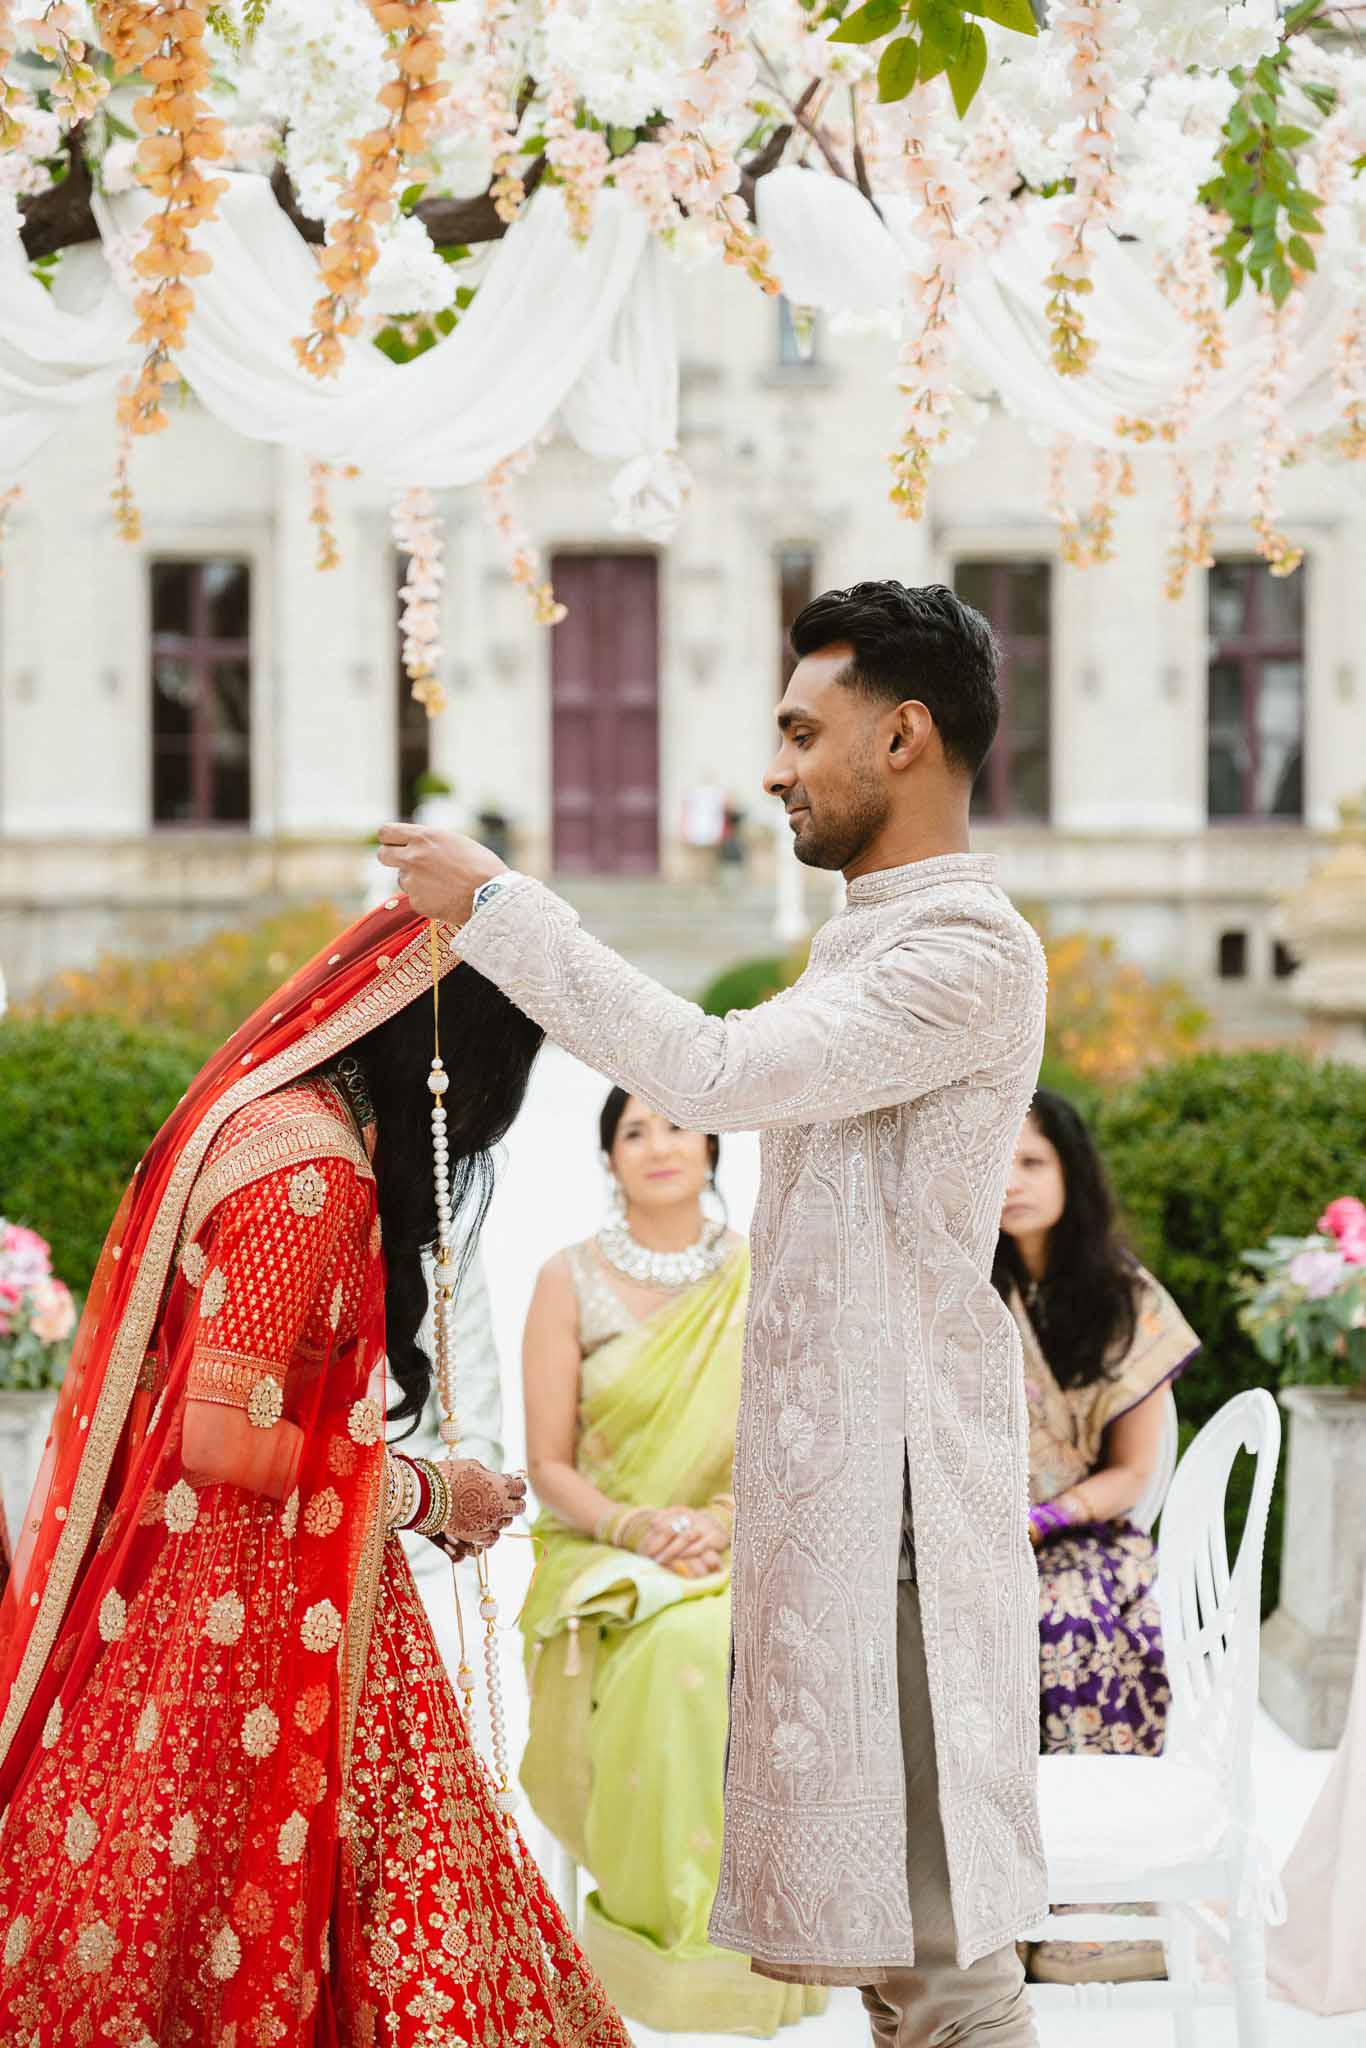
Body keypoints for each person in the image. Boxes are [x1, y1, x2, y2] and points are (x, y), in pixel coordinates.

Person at [382, 579, 1050, 2048]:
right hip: (834, 1499)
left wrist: (500, 908)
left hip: (899, 1513)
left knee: (940, 1960)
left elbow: (708, 1074)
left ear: (905, 737)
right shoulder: (865, 942)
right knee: (886, 1953)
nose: (769, 769)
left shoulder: (965, 950)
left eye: (801, 731)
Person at [0, 901, 630, 2048]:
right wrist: (433, 1493)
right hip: (250, 1601)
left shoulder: (270, 1118)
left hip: (237, 1575)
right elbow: (222, 1435)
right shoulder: (312, 1172)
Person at [518, 1087, 826, 2034]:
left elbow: (795, 1434)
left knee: (749, 1636)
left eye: (676, 1124)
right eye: (633, 1131)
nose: (658, 1144)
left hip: (748, 1541)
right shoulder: (567, 1279)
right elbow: (547, 1466)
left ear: (713, 1145)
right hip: (601, 1547)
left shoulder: (761, 1270)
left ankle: (773, 1922)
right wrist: (639, 1528)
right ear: (609, 1160)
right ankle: (673, 1942)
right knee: (679, 1647)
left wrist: (725, 1522)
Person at [994, 1088, 1200, 1988]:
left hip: (1086, 1535)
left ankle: (1085, 1907)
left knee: (1066, 1625)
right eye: (996, 1160)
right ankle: (989, 1900)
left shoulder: (1125, 1299)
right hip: (975, 1531)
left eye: (1033, 1161)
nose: (1011, 1181)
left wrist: (1042, 1519)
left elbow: (1131, 1474)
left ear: (1072, 1174)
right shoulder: (960, 1290)